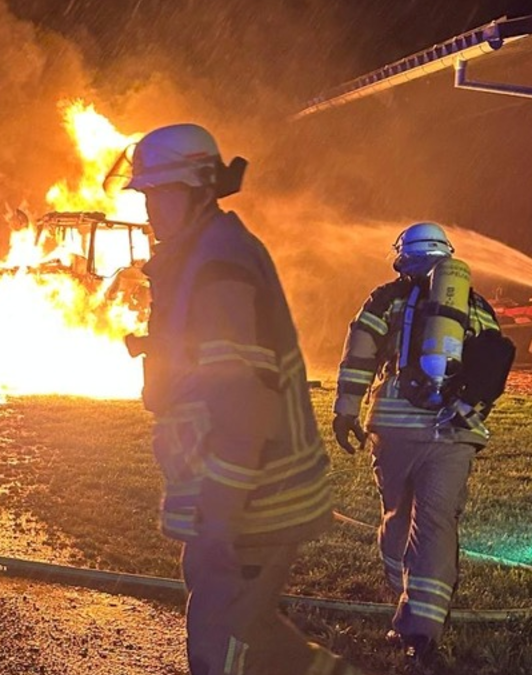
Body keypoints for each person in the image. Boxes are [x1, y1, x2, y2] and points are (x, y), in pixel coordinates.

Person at [122, 124, 362, 675]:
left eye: (161, 194)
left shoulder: (218, 266)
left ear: (198, 190)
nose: (151, 210)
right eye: (146, 195)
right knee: (256, 639)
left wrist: (220, 514)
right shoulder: (198, 257)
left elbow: (244, 400)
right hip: (234, 492)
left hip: (254, 498)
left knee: (222, 648)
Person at [332, 222, 510, 667]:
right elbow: (492, 363)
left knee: (397, 517)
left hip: (394, 428)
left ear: (403, 256)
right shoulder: (475, 304)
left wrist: (346, 409)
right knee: (435, 524)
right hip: (454, 431)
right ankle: (421, 629)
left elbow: (359, 353)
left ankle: (407, 602)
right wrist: (468, 410)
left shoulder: (385, 299)